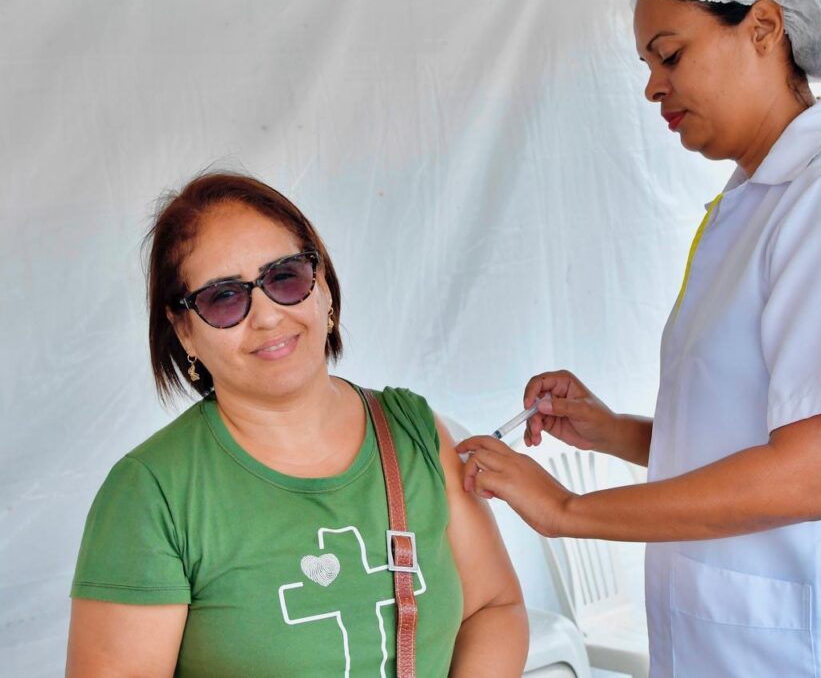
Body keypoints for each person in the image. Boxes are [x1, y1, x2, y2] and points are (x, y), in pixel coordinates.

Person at [456, 0, 821, 675]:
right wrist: (612, 432)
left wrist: (567, 511)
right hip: (733, 634)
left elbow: (810, 474)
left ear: (762, 28)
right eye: (648, 65)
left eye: (671, 54)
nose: (654, 86)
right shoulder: (750, 202)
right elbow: (748, 431)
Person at [67, 171, 527, 676]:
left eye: (285, 277)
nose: (265, 316)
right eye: (224, 298)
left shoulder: (412, 429)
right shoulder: (151, 494)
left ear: (323, 288)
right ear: (185, 332)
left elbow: (493, 609)